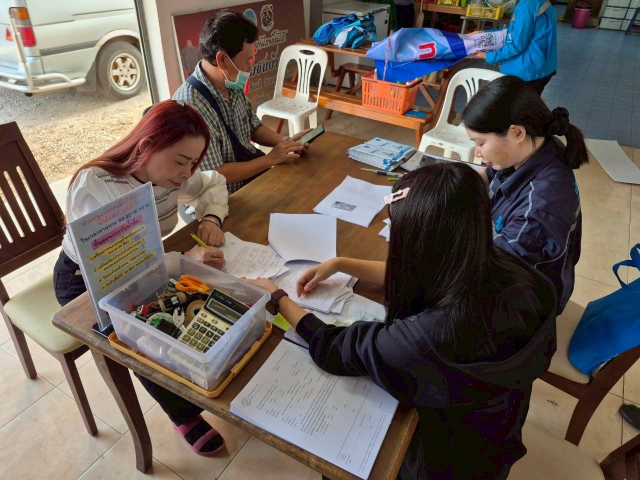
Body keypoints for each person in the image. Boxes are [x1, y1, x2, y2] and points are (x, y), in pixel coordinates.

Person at [246, 163, 558, 480]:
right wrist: (341, 264)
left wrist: (277, 296)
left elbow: (334, 348)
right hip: (495, 439)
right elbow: (428, 275)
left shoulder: (427, 337)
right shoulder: (518, 274)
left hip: (441, 465)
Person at [54, 100, 229, 457]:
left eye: (193, 163)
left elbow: (215, 183)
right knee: (143, 334)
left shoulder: (172, 176)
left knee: (199, 304)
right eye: (181, 161)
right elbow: (119, 268)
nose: (187, 173)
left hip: (147, 268)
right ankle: (183, 413)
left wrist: (211, 218)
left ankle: (204, 377)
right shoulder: (97, 184)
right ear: (148, 145)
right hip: (85, 283)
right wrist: (183, 260)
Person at [462, 75, 588, 314]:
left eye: (480, 143)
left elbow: (487, 274)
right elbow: (488, 174)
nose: (477, 153)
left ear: (516, 133)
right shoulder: (534, 147)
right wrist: (442, 188)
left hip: (524, 305)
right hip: (501, 262)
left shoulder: (538, 211)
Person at [173, 10, 312, 195]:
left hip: (249, 181)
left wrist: (286, 142)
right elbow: (215, 173)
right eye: (247, 60)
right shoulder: (190, 107)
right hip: (220, 199)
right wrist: (269, 159)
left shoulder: (230, 80)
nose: (250, 66)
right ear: (222, 59)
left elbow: (252, 126)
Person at [473, 0, 558, 95]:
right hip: (542, 67)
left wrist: (489, 56)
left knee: (517, 103)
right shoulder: (535, 2)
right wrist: (485, 33)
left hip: (528, 72)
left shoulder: (527, 5)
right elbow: (516, 30)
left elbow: (517, 44)